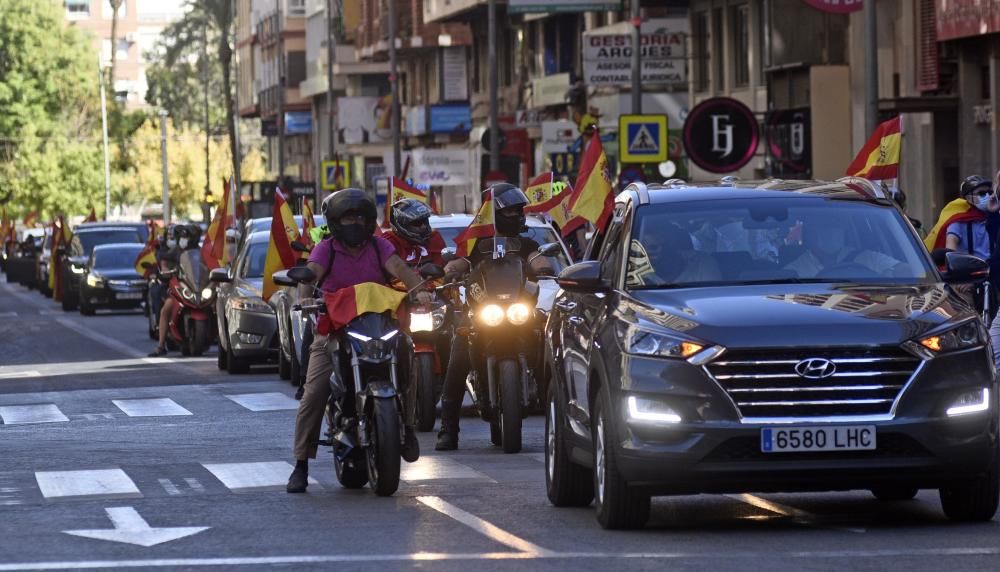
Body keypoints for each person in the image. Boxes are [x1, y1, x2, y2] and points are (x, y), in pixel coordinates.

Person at [287, 188, 433, 494]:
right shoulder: (326, 248)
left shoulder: (379, 246)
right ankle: (301, 463)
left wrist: (420, 289)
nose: (355, 222)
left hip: (379, 325)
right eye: (348, 217)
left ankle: (407, 426)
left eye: (361, 216)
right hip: (335, 331)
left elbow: (401, 270)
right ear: (336, 221)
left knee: (408, 352)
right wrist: (305, 291)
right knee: (314, 392)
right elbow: (311, 273)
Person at [435, 183, 556, 451]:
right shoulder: (476, 244)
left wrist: (544, 266)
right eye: (511, 211)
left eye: (519, 210)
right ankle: (448, 429)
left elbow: (538, 259)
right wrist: (448, 270)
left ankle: (559, 422)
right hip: (482, 312)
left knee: (548, 345)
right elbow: (460, 263)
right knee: (458, 357)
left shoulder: (526, 243)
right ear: (495, 212)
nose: (518, 215)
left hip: (517, 312)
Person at [783, 216, 905, 279]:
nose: (831, 231)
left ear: (844, 231)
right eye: (824, 226)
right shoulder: (795, 270)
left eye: (836, 225)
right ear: (810, 233)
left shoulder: (867, 257)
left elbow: (907, 270)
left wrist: (889, 274)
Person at [148, 225, 198, 357]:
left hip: (197, 288)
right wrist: (164, 269)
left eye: (187, 237)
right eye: (182, 237)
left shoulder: (197, 251)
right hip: (179, 288)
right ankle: (161, 345)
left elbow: (206, 265)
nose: (184, 240)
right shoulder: (175, 251)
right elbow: (164, 260)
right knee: (166, 310)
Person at [383, 198, 447, 269]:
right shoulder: (388, 243)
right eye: (417, 223)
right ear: (402, 224)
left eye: (424, 221)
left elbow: (442, 268)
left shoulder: (434, 239)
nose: (423, 226)